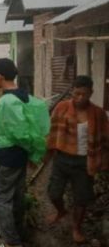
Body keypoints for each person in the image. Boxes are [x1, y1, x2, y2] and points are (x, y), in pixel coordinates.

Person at [0, 58, 50, 247]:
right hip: (20, 156)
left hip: (6, 155)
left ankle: (12, 242)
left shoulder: (7, 101)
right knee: (16, 197)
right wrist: (34, 154)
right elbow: (39, 128)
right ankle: (17, 234)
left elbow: (19, 133)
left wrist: (32, 150)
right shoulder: (27, 97)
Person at [46, 75, 109, 244]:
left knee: (81, 198)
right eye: (77, 94)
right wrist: (47, 154)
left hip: (84, 162)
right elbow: (52, 132)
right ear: (72, 92)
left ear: (91, 93)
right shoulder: (61, 108)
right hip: (62, 159)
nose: (80, 98)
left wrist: (102, 161)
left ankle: (77, 228)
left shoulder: (98, 113)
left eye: (84, 94)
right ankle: (61, 211)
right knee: (53, 193)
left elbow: (105, 138)